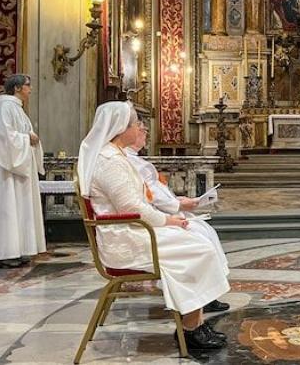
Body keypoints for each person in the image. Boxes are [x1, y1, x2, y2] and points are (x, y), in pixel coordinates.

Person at [77, 101, 230, 350]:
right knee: (198, 246)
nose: (139, 127)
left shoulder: (113, 156)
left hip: (133, 229)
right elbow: (133, 208)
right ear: (119, 127)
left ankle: (194, 322)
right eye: (135, 123)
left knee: (197, 239)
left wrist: (170, 218)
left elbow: (137, 202)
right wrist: (170, 220)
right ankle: (192, 329)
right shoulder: (109, 162)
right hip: (126, 237)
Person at [124, 121, 230, 313]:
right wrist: (177, 205)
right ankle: (198, 301)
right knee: (198, 238)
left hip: (158, 215)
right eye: (141, 129)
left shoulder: (132, 159)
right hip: (147, 223)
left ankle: (206, 295)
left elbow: (152, 192)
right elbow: (146, 197)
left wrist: (176, 200)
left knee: (206, 232)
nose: (145, 132)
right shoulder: (125, 161)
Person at [0, 74, 46, 268]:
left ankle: (20, 248)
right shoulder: (6, 108)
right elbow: (6, 137)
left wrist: (30, 137)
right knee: (8, 208)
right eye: (27, 86)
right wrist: (27, 139)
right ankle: (5, 251)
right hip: (8, 170)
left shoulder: (17, 109)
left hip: (20, 167)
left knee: (19, 208)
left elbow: (21, 133)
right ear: (16, 88)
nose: (30, 90)